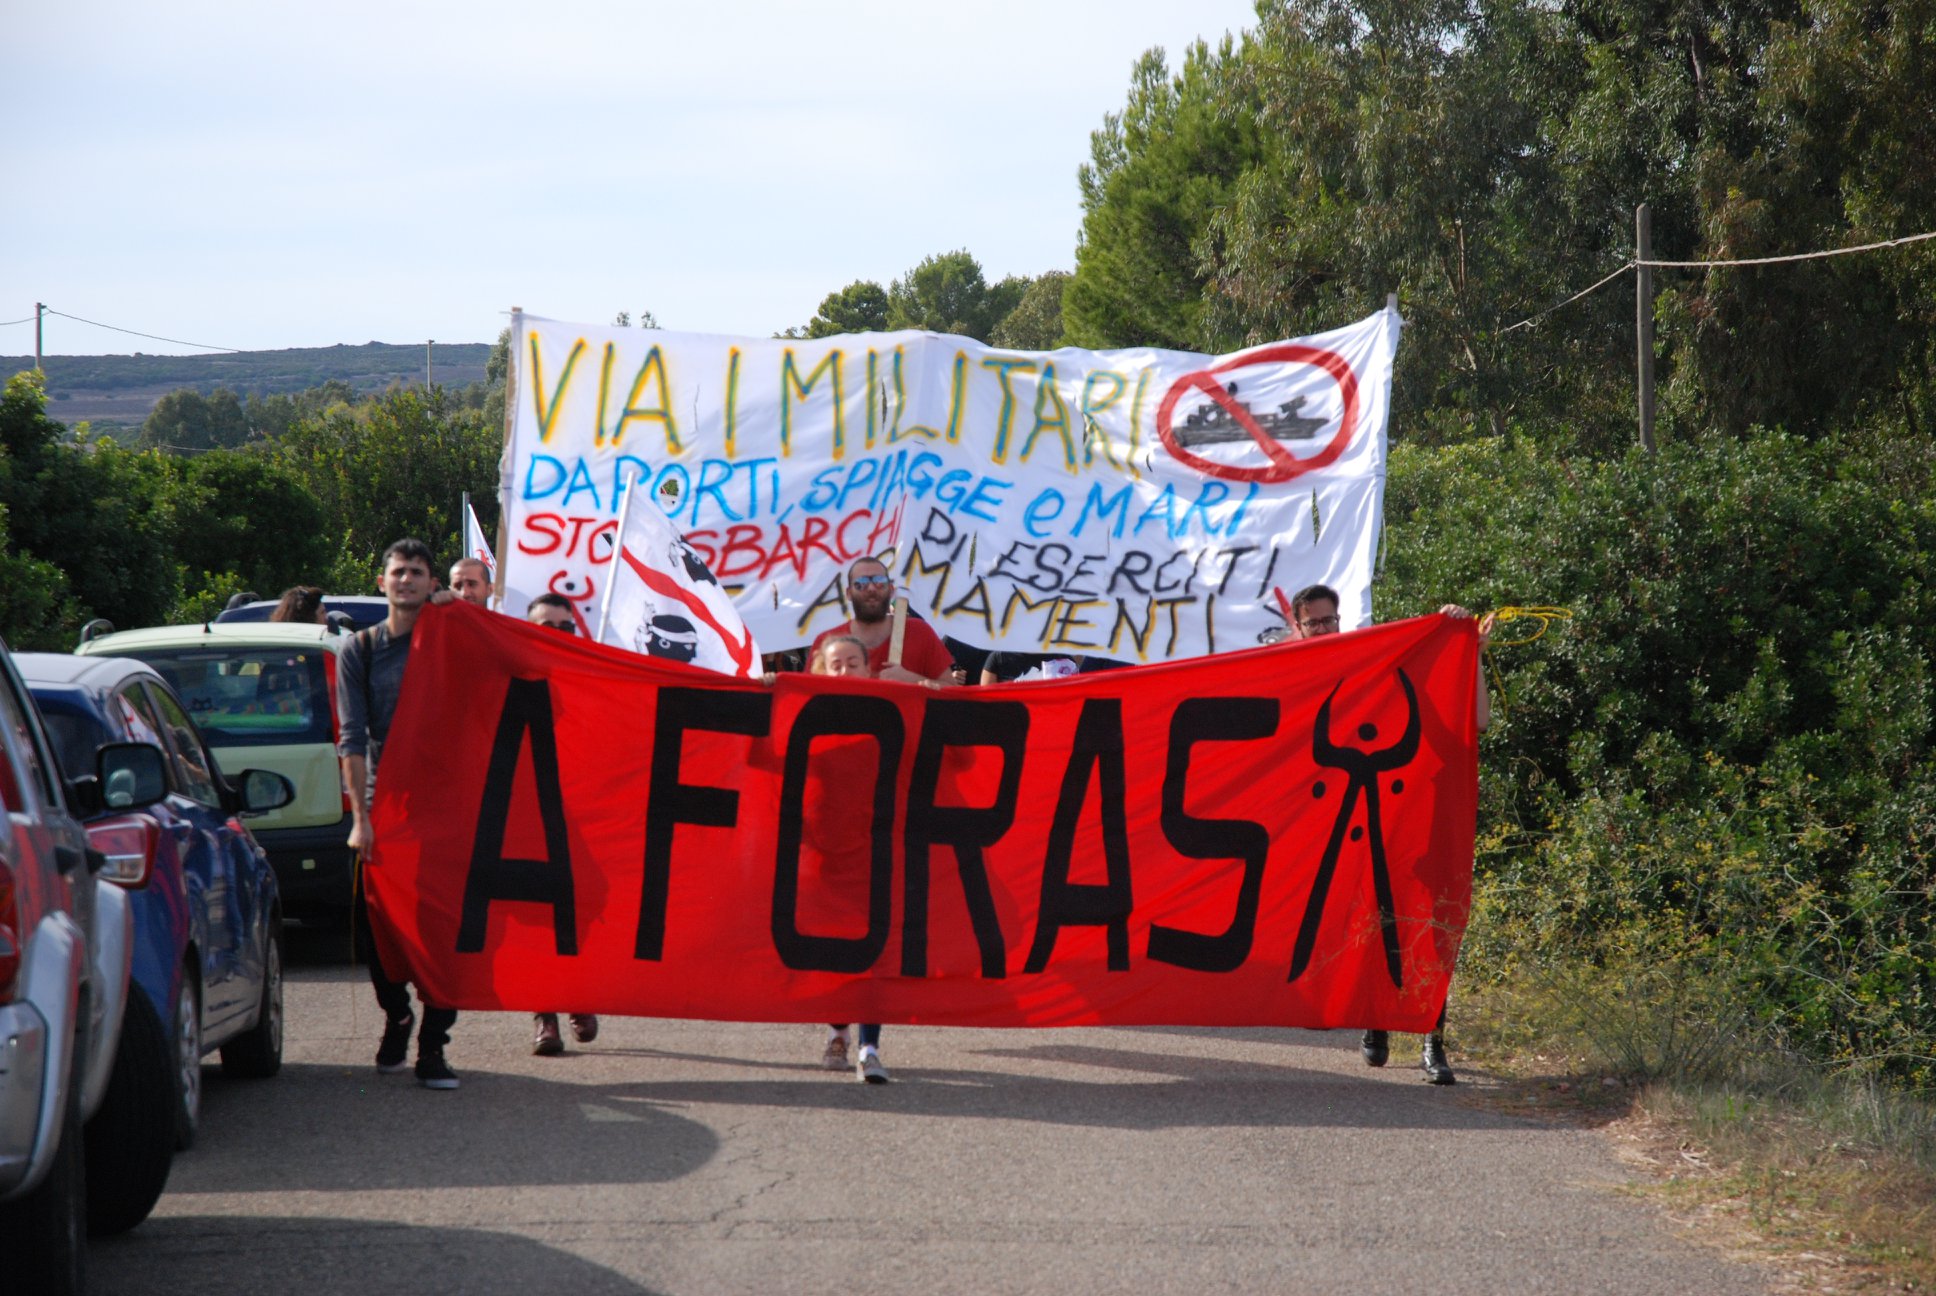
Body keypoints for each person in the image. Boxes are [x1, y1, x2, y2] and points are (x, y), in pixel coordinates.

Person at [1285, 582, 1492, 1085]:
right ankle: (1377, 1018)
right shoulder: (1292, 673)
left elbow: (1478, 721)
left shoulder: (1374, 663)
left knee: (1431, 925)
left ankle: (1431, 1040)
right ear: (1298, 626)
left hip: (1416, 815)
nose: (1326, 629)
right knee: (1370, 924)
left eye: (1332, 620)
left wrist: (1466, 649)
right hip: (1335, 825)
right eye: (1315, 622)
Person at [339, 538, 462, 1090]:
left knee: (442, 932)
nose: (407, 579)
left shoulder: (454, 639)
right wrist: (360, 819)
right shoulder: (359, 651)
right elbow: (350, 737)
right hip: (383, 806)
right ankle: (397, 1014)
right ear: (382, 582)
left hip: (448, 809)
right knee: (374, 928)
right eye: (398, 571)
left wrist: (460, 611)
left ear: (432, 583)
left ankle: (433, 1046)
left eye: (417, 572)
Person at [805, 634, 890, 1083]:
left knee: (871, 953)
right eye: (834, 664)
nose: (843, 672)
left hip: (875, 849)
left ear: (868, 669)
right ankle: (838, 1031)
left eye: (852, 663)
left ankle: (869, 1047)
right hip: (821, 851)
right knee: (832, 950)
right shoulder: (803, 715)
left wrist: (934, 699)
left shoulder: (895, 713)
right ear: (821, 670)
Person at [521, 595, 601, 1055]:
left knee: (584, 907)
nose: (555, 631)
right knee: (536, 913)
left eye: (564, 625)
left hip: (583, 812)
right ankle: (545, 1015)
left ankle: (578, 994)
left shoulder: (591, 675)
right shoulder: (511, 672)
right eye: (544, 624)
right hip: (527, 811)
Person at [808, 556, 955, 688]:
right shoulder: (828, 643)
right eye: (861, 583)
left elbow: (953, 693)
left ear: (891, 590)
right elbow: (805, 698)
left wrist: (913, 680)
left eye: (879, 582)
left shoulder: (919, 632)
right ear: (849, 593)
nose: (871, 588)